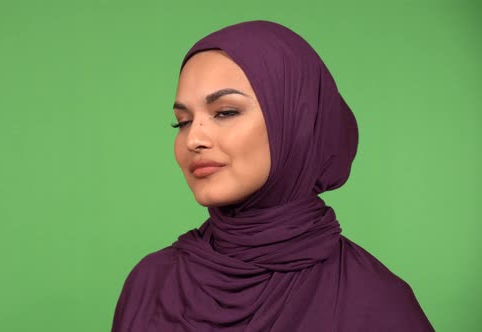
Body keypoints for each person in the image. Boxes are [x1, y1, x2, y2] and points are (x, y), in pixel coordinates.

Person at [112, 20, 434, 331]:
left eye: (225, 112)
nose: (193, 139)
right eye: (182, 121)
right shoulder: (149, 285)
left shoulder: (376, 303)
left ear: (295, 121)